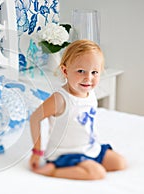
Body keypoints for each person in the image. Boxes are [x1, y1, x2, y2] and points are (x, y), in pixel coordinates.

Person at [29, 39, 126, 180]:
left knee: (119, 163)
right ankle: (53, 171)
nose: (88, 78)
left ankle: (88, 162)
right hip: (66, 153)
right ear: (65, 70)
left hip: (90, 147)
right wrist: (37, 151)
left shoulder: (90, 93)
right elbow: (35, 118)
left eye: (94, 72)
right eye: (81, 71)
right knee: (98, 173)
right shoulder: (60, 99)